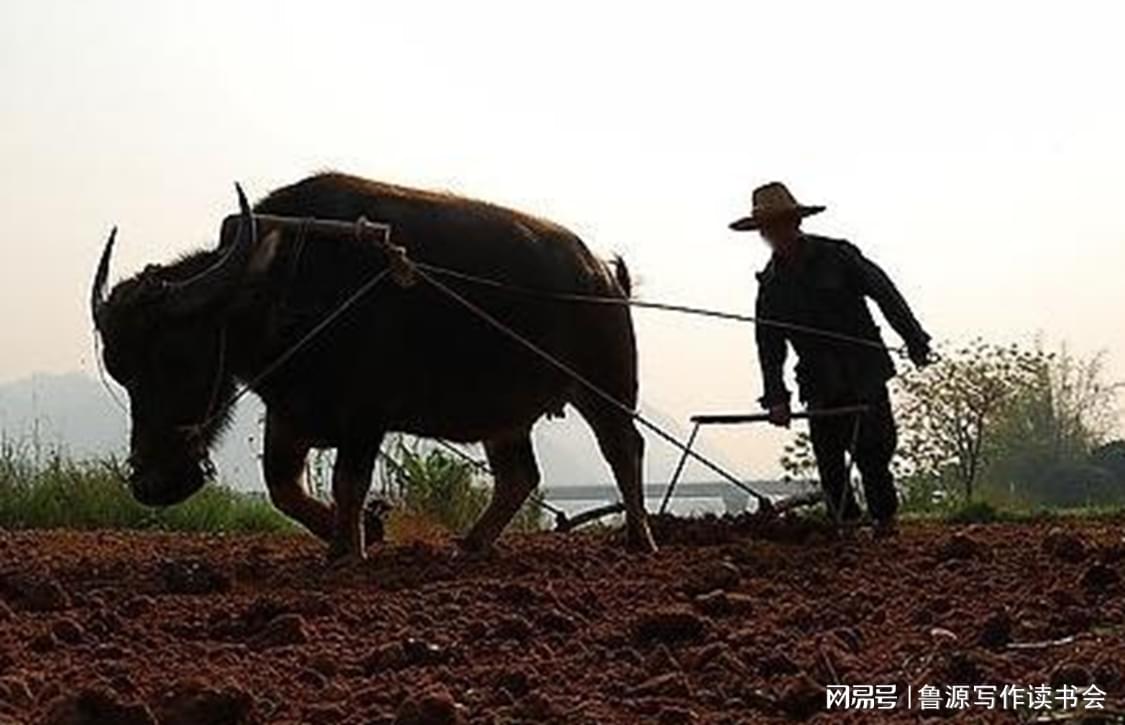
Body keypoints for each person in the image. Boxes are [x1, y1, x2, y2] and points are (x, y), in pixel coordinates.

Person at [729, 182, 931, 536]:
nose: (773, 234)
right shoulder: (771, 285)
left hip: (863, 370)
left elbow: (885, 293)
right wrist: (776, 396)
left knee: (874, 451)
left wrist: (914, 339)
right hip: (818, 381)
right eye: (767, 229)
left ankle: (885, 521)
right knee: (829, 461)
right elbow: (769, 345)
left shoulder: (838, 256)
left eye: (779, 225)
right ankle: (846, 524)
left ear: (795, 222)